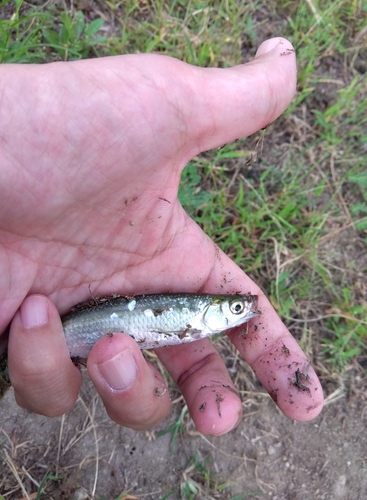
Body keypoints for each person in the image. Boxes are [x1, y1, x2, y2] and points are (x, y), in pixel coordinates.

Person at [0, 37, 323, 435]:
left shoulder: (198, 316)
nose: (243, 309)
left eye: (237, 308)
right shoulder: (198, 316)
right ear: (214, 313)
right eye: (235, 309)